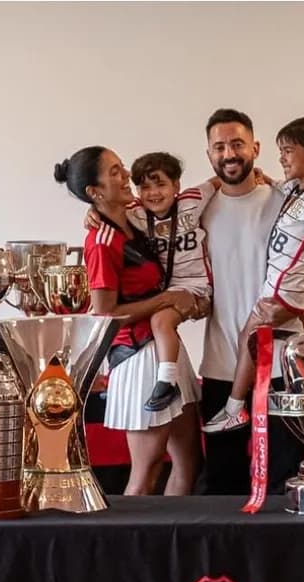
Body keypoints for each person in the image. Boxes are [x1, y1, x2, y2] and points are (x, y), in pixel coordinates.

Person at [53, 145, 201, 496]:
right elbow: (105, 315)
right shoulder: (101, 241)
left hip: (164, 349)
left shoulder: (135, 219)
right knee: (146, 470)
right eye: (115, 172)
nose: (126, 177)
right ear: (95, 191)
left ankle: (172, 531)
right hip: (138, 356)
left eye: (122, 168)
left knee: (189, 463)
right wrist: (167, 300)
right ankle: (133, 533)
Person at [202, 115, 304, 433]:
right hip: (226, 354)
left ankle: (234, 408)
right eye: (219, 147)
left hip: (289, 295)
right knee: (250, 336)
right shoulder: (292, 191)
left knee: (250, 334)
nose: (282, 158)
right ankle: (234, 406)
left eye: (288, 151)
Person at [195, 108, 304, 494]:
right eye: (219, 147)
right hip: (220, 365)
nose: (229, 154)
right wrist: (94, 214)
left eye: (237, 144)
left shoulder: (286, 202)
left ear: (255, 148)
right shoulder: (199, 209)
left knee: (284, 483)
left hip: (280, 365)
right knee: (222, 486)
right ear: (209, 154)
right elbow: (143, 213)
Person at [126, 153, 217, 412]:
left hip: (196, 285)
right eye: (145, 187)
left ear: (176, 186)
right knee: (152, 322)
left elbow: (217, 181)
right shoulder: (135, 213)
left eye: (161, 184)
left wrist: (258, 175)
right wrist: (91, 212)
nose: (154, 193)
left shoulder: (192, 200)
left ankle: (167, 382)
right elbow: (107, 206)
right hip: (167, 289)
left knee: (159, 321)